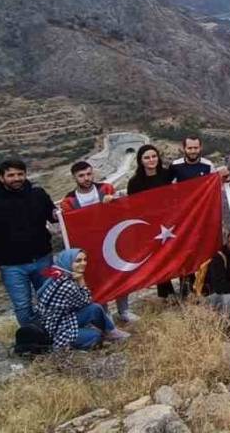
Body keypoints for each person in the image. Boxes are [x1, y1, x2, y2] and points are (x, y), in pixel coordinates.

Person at [0, 158, 59, 326]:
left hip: (44, 260)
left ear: (26, 175)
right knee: (22, 306)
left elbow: (53, 215)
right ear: (1, 178)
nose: (16, 178)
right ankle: (33, 341)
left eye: (20, 174)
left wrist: (58, 214)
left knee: (51, 297)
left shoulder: (39, 195)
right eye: (11, 175)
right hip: (12, 268)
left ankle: (55, 330)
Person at [60, 161, 137, 323]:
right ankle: (105, 313)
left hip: (111, 238)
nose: (86, 178)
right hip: (88, 246)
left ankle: (124, 310)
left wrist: (113, 202)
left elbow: (121, 210)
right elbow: (70, 224)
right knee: (96, 278)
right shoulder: (68, 201)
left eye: (89, 174)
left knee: (118, 272)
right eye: (81, 176)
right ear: (74, 177)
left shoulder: (106, 189)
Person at [36, 248, 129, 349]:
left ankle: (111, 332)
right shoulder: (67, 284)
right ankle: (67, 345)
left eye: (85, 260)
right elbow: (86, 301)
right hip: (56, 329)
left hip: (62, 319)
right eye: (78, 261)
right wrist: (81, 280)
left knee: (95, 308)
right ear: (68, 262)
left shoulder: (58, 276)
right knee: (95, 335)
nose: (83, 263)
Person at [127, 145, 186, 298]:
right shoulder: (134, 183)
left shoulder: (168, 175)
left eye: (154, 156)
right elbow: (133, 207)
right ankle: (167, 294)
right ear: (140, 161)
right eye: (147, 157)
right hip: (151, 226)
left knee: (180, 253)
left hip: (173, 221)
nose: (151, 160)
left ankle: (186, 289)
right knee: (160, 259)